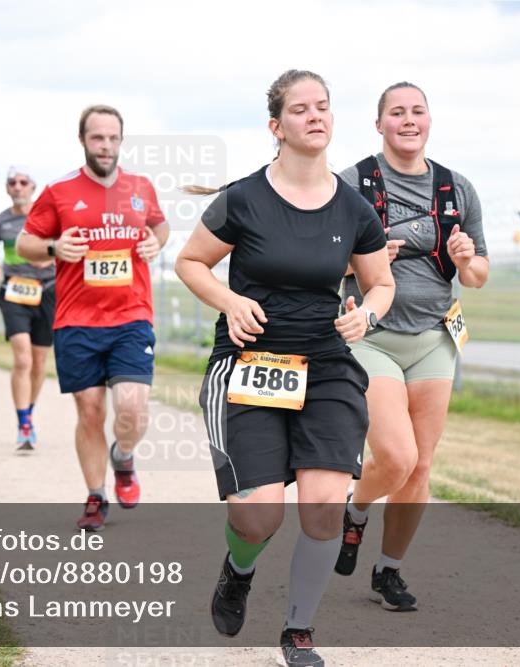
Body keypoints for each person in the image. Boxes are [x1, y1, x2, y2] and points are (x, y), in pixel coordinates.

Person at [176, 70, 395, 666]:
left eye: (323, 106)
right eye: (300, 109)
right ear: (277, 127)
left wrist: (365, 318)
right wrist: (229, 300)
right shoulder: (245, 198)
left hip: (325, 367)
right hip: (249, 366)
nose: (315, 116)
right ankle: (238, 568)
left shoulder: (354, 208)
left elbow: (380, 284)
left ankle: (299, 629)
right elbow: (191, 261)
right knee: (257, 514)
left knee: (324, 507)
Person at [333, 82, 488, 612]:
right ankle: (355, 511)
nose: (408, 119)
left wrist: (466, 259)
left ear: (429, 121)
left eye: (417, 111)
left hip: (434, 339)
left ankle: (388, 571)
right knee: (395, 458)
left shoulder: (457, 189)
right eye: (396, 112)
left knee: (421, 465)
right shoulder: (354, 183)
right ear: (379, 124)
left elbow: (481, 275)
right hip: (372, 336)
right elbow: (321, 259)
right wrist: (365, 259)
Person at [17, 104, 169, 529]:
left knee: (133, 407)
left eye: (113, 138)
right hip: (76, 319)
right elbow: (26, 243)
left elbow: (159, 226)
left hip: (131, 316)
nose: (106, 146)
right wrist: (53, 249)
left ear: (122, 140)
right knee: (89, 411)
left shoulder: (141, 186)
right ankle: (95, 496)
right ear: (82, 140)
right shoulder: (58, 190)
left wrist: (155, 244)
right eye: (98, 138)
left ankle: (123, 457)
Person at [0, 166, 56, 450]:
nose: (17, 186)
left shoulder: (50, 217)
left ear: (32, 187)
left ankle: (29, 411)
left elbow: (68, 245)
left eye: (23, 182)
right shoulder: (0, 221)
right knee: (23, 359)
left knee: (39, 362)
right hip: (14, 290)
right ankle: (23, 423)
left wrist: (52, 257)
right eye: (12, 182)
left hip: (48, 291)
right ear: (7, 188)